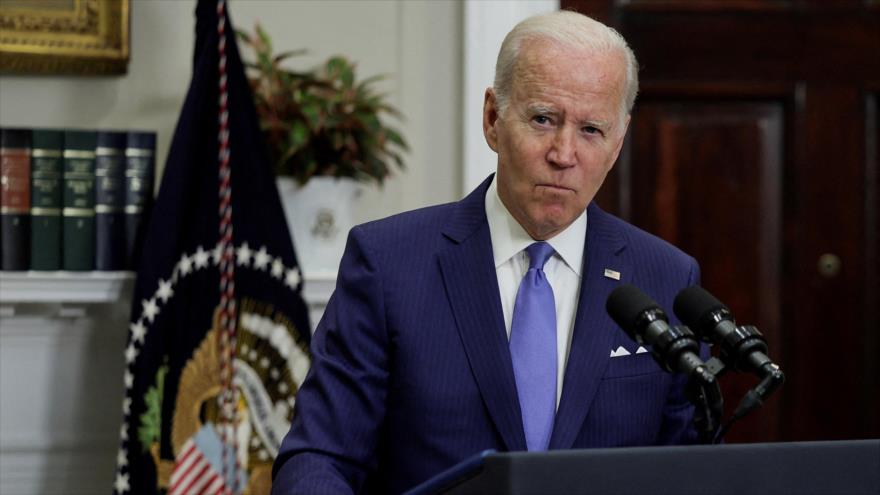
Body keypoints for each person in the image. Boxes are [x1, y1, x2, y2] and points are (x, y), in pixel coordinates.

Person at [272, 10, 701, 494]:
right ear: (493, 118)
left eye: (590, 130)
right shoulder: (388, 265)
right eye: (543, 119)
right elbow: (320, 457)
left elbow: (692, 471)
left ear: (618, 141)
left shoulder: (666, 278)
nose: (564, 154)